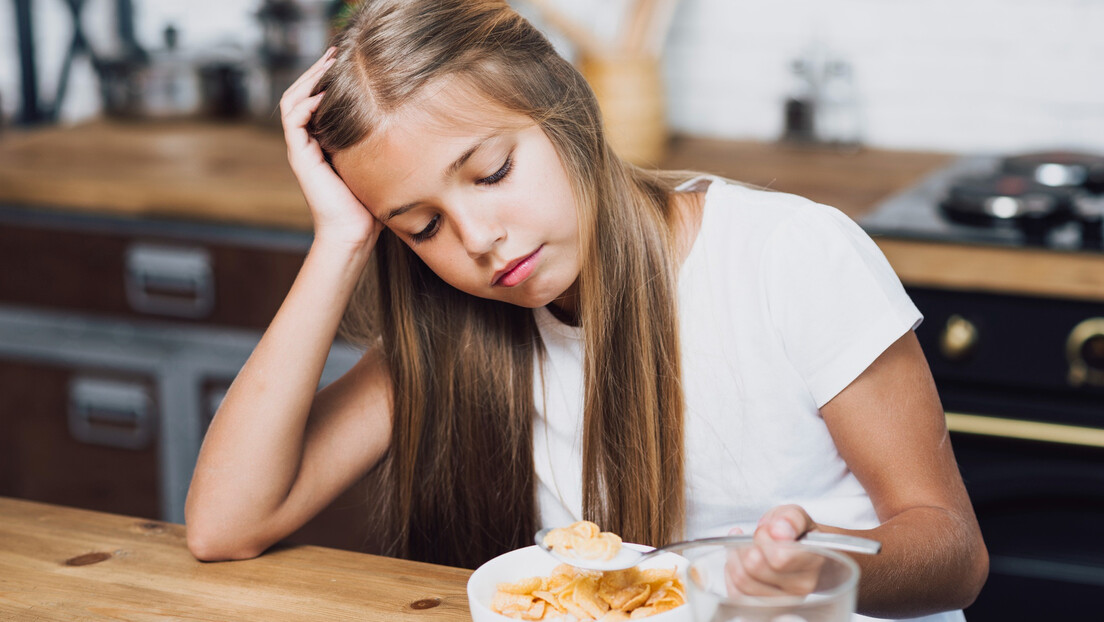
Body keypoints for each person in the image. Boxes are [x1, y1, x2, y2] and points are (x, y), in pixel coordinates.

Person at [184, 1, 987, 619]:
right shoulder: (451, 328)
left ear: (569, 111)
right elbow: (225, 524)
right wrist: (339, 241)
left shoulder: (789, 256)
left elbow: (954, 551)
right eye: (421, 225)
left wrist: (825, 573)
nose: (480, 240)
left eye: (492, 171)